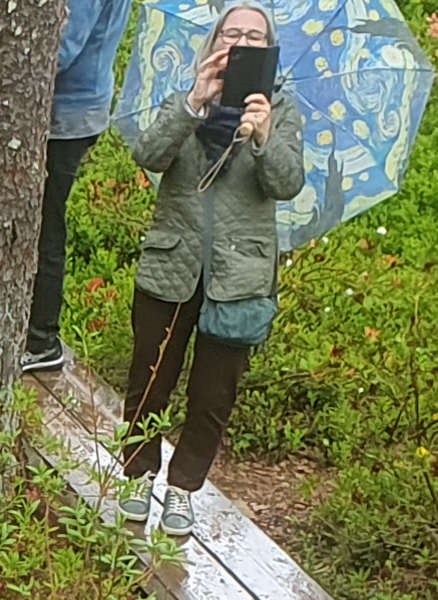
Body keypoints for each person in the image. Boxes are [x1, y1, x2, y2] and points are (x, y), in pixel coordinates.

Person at [114, 4, 302, 539]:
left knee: (214, 395)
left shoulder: (283, 111)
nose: (239, 43)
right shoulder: (188, 98)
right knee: (149, 378)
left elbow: (287, 184)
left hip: (238, 275)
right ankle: (136, 475)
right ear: (215, 40)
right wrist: (194, 104)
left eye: (253, 37)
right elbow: (148, 154)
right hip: (172, 265)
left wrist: (263, 136)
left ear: (267, 51)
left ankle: (183, 488)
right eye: (231, 32)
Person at [23, 0, 134, 373]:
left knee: (46, 225)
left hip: (67, 113)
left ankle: (41, 339)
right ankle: (26, 324)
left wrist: (2, 68)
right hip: (78, 108)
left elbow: (60, 49)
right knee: (37, 219)